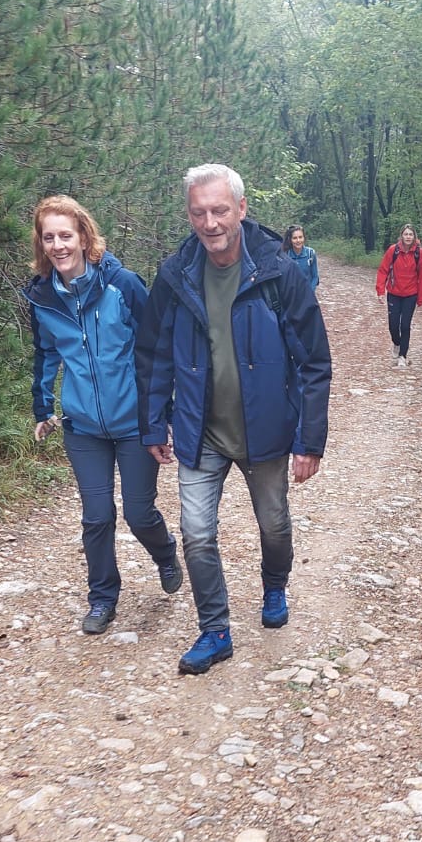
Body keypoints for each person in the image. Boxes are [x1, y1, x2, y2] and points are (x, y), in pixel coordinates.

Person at [136, 163, 332, 676]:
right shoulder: (175, 276)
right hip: (200, 429)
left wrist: (309, 440)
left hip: (266, 431)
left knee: (274, 524)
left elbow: (314, 361)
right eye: (199, 212)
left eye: (220, 209)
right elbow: (153, 353)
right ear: (189, 214)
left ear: (241, 209)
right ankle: (215, 631)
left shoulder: (277, 272)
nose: (210, 222)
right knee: (197, 532)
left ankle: (274, 586)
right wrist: (154, 423)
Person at [25, 194, 183, 635]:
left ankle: (166, 552)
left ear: (84, 237)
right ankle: (102, 599)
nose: (58, 245)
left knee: (138, 513)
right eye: (49, 237)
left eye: (65, 235)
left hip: (133, 424)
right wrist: (43, 407)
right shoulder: (40, 296)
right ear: (42, 243)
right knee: (96, 516)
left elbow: (156, 350)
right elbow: (45, 353)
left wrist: (161, 414)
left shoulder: (122, 284)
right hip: (83, 428)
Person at [375, 224, 422, 369]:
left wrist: (421, 298)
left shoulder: (419, 253)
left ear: (414, 236)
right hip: (394, 293)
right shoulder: (393, 250)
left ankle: (403, 356)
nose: (408, 237)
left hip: (411, 294)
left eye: (411, 234)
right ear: (401, 236)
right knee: (393, 326)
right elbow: (383, 270)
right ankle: (397, 344)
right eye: (406, 234)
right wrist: (380, 291)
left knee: (405, 325)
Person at [284, 225, 320, 293]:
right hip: (291, 294)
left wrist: (310, 292)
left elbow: (315, 277)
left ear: (304, 238)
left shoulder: (310, 253)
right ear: (290, 239)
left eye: (300, 237)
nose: (298, 240)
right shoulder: (285, 255)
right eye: (294, 238)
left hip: (307, 292)